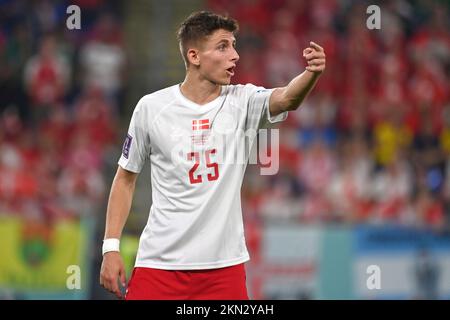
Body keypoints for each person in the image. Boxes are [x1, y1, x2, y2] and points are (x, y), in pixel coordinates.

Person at [99, 11, 325, 300]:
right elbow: (125, 179)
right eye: (223, 46)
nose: (235, 55)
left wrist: (311, 74)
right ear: (194, 56)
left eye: (233, 45)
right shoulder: (151, 108)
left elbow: (287, 98)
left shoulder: (243, 101)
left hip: (223, 269)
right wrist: (111, 247)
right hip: (160, 265)